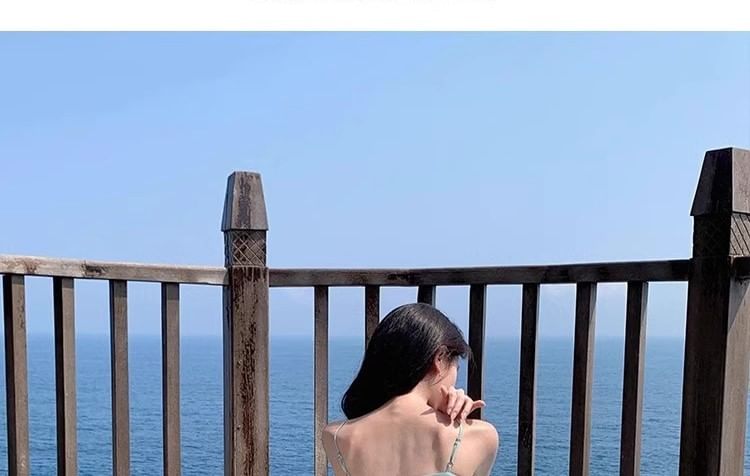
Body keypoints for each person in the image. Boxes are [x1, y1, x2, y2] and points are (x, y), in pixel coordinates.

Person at [322, 303, 499, 475]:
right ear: (439, 358)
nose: (454, 382)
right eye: (456, 368)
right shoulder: (479, 437)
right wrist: (454, 420)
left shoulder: (336, 437)